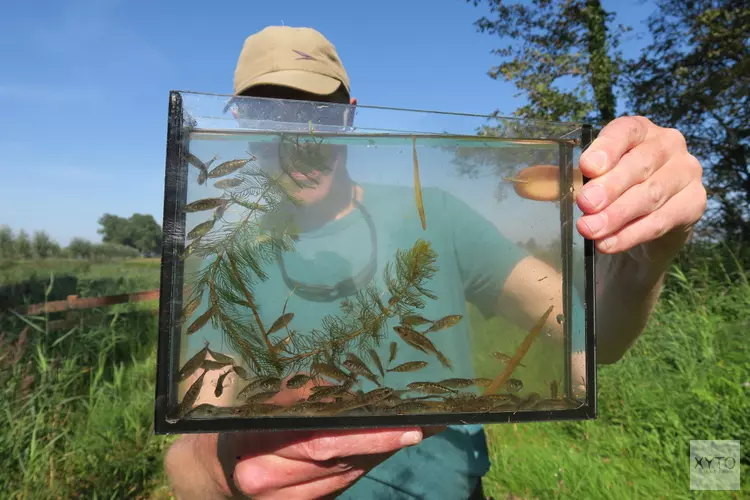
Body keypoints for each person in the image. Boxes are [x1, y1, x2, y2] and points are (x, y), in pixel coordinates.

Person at [164, 26, 707, 500]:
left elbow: (592, 345)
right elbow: (190, 456)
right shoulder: (226, 261)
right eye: (266, 114)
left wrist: (639, 263)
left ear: (349, 118)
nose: (294, 141)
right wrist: (223, 467)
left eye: (316, 113)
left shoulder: (438, 216)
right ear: (236, 121)